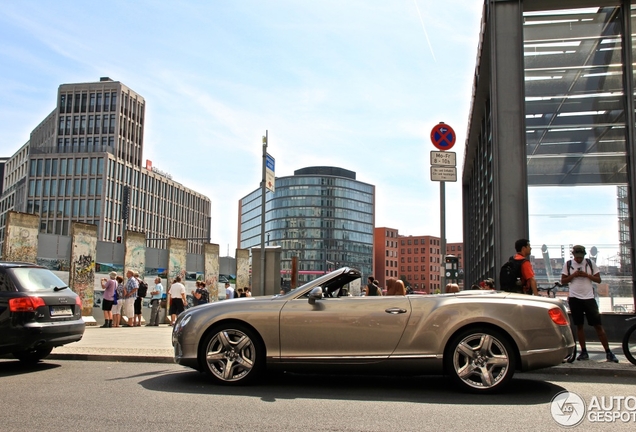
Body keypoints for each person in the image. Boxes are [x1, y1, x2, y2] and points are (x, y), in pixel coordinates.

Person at [561, 245, 619, 363]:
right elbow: (563, 281)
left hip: (589, 298)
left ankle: (608, 351)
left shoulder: (590, 263)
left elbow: (598, 279)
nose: (579, 259)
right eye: (577, 257)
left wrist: (587, 275)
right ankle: (583, 351)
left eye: (580, 257)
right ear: (573, 255)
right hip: (574, 298)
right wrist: (574, 275)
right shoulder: (568, 264)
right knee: (579, 325)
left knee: (598, 325)